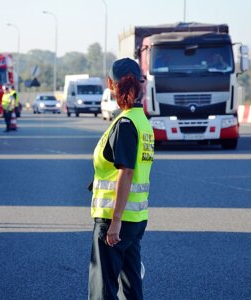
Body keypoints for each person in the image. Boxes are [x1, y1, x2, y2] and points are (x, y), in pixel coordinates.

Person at [88, 58, 155, 300]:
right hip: (136, 218)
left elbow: (126, 172)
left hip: (114, 219)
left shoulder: (124, 123)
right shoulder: (142, 122)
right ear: (140, 83)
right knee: (131, 284)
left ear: (110, 84)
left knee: (103, 288)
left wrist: (115, 222)